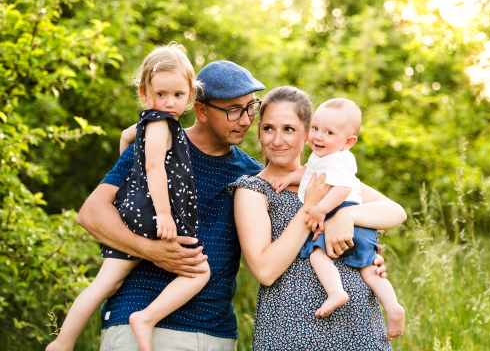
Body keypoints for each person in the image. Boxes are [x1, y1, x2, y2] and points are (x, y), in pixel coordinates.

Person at [76, 61, 387, 350]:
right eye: (233, 110)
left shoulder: (251, 174)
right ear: (200, 109)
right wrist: (152, 250)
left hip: (215, 330)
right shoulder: (160, 146)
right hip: (143, 317)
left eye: (250, 108)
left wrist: (353, 231)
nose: (246, 119)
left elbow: (358, 200)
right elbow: (92, 214)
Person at [47, 43, 210, 351]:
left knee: (107, 283)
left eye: (177, 95)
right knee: (199, 271)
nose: (169, 102)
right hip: (153, 216)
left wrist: (134, 183)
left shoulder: (149, 123)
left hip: (138, 211)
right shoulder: (161, 123)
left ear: (190, 94)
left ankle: (63, 342)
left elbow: (126, 137)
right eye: (161, 95)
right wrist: (162, 213)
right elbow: (153, 166)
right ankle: (144, 318)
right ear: (145, 92)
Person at [228, 86, 407, 350]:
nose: (277, 140)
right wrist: (309, 207)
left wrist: (347, 215)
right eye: (268, 128)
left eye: (289, 129)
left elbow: (396, 211)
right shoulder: (253, 189)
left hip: (357, 326)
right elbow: (265, 271)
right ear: (259, 132)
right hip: (291, 327)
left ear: (308, 134)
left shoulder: (333, 177)